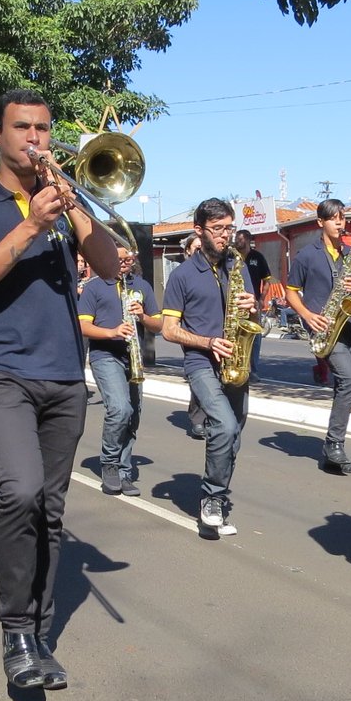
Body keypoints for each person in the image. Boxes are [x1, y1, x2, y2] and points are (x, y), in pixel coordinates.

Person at [0, 88, 118, 690]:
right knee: (19, 492)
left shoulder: (63, 202)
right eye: (23, 128)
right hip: (1, 371)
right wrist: (30, 224)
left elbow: (113, 264)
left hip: (66, 374)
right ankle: (15, 630)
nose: (36, 139)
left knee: (51, 508)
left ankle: (38, 636)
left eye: (43, 128)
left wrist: (72, 209)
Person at [162, 198, 259, 536]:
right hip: (201, 362)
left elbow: (253, 313)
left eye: (228, 228)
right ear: (199, 231)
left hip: (235, 360)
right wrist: (207, 342)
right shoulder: (182, 276)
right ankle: (212, 499)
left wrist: (254, 306)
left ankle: (214, 498)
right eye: (217, 229)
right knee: (225, 425)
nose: (225, 236)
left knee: (233, 436)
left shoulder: (238, 266)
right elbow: (168, 329)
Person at [284, 199, 351, 475]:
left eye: (342, 218)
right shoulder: (307, 256)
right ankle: (334, 445)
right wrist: (307, 316)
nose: (340, 223)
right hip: (324, 328)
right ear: (320, 222)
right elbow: (291, 292)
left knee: (348, 387)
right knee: (350, 381)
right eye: (333, 218)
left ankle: (334, 449)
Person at [78, 245, 161, 496]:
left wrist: (144, 316)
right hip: (105, 355)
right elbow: (83, 325)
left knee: (133, 415)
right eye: (120, 257)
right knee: (119, 409)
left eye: (129, 257)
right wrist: (112, 332)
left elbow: (159, 325)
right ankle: (110, 464)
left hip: (132, 356)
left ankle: (125, 471)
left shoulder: (142, 286)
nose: (125, 262)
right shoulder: (95, 286)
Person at [181, 232, 208, 438]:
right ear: (188, 251)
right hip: (192, 333)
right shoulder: (182, 274)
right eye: (196, 248)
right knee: (200, 374)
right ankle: (198, 418)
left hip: (217, 331)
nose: (200, 250)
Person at [234, 229, 272, 371]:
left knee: (255, 336)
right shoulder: (231, 257)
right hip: (235, 303)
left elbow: (267, 280)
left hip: (253, 304)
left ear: (248, 240)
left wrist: (262, 299)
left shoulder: (258, 257)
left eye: (240, 239)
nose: (237, 241)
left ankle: (253, 370)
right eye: (236, 239)